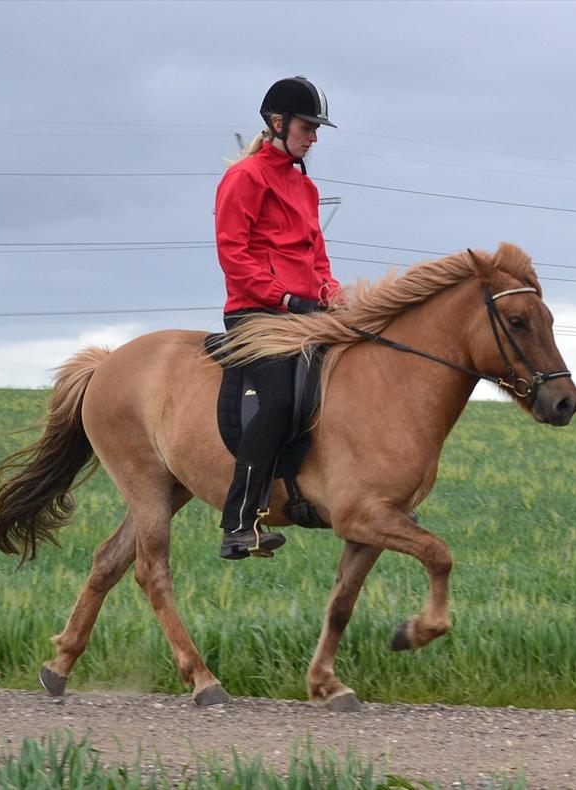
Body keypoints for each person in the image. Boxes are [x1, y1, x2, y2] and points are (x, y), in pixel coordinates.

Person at [213, 76, 344, 560]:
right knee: (280, 400)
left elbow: (318, 259)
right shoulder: (244, 178)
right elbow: (234, 257)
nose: (314, 138)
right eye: (308, 128)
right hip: (256, 313)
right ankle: (239, 523)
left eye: (316, 129)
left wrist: (332, 295)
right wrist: (287, 299)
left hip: (303, 314)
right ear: (278, 123)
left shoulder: (305, 186)